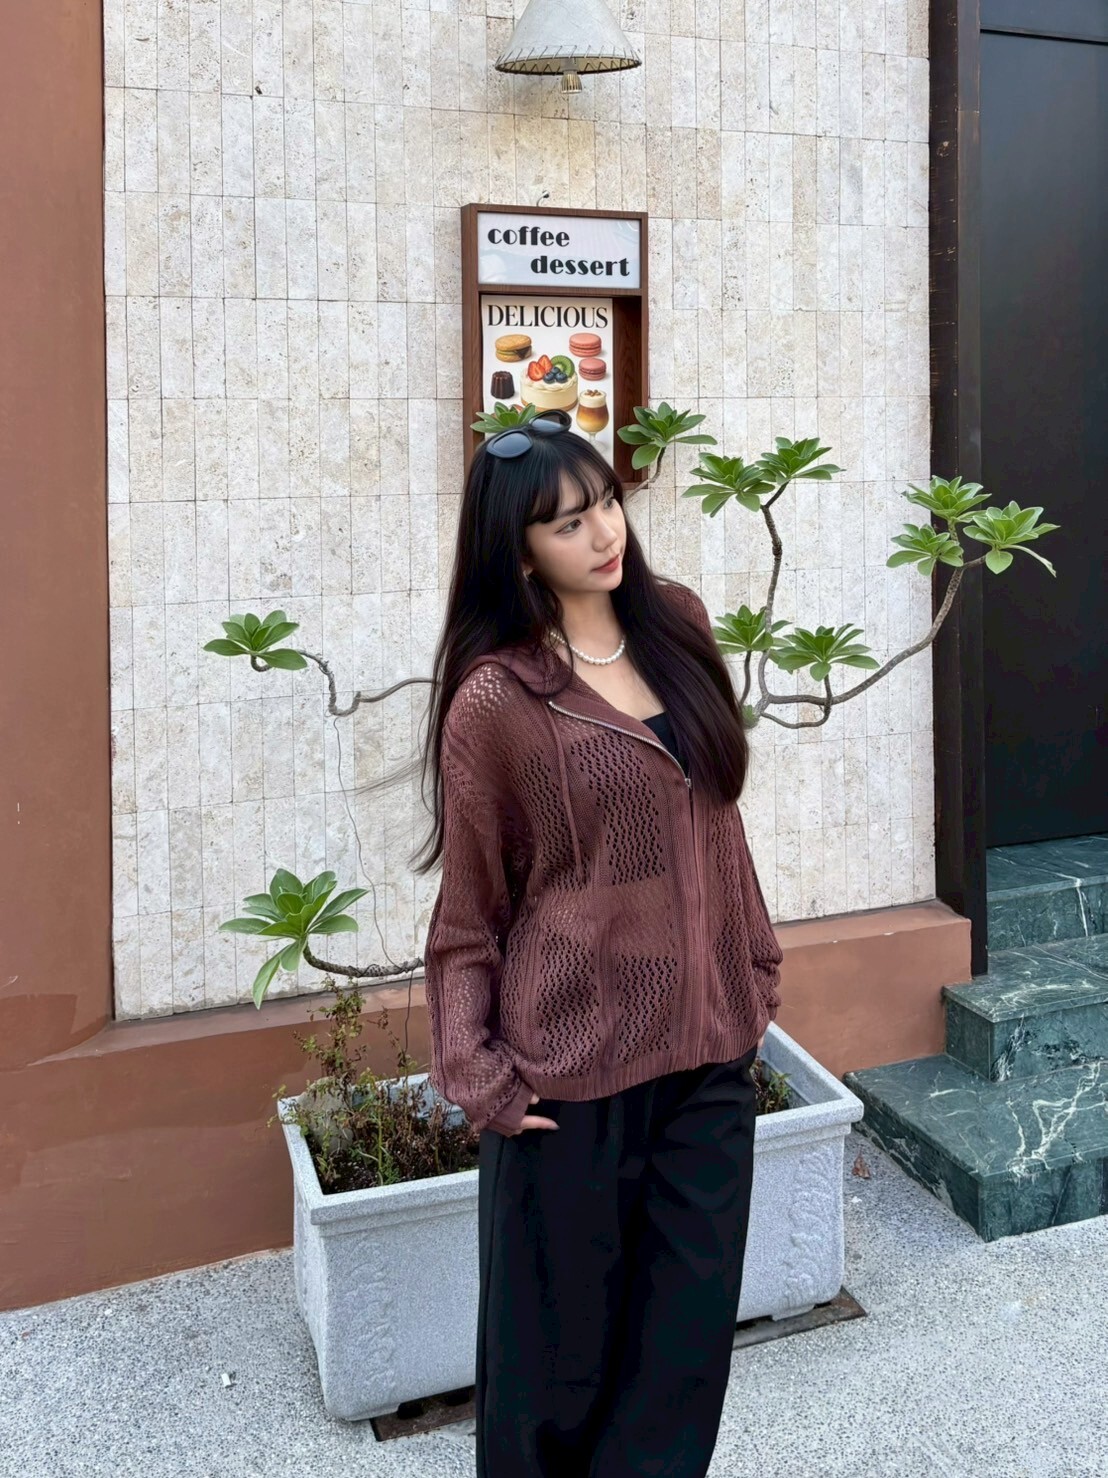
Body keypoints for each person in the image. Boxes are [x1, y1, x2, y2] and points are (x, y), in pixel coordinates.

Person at [414, 409, 784, 1477]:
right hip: (569, 1081)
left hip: (706, 1063)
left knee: (680, 1364)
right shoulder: (499, 699)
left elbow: (717, 825)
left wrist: (754, 969)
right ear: (520, 548)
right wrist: (476, 1071)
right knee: (554, 1376)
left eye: (606, 504)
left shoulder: (679, 623)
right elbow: (471, 910)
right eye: (567, 522)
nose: (603, 533)